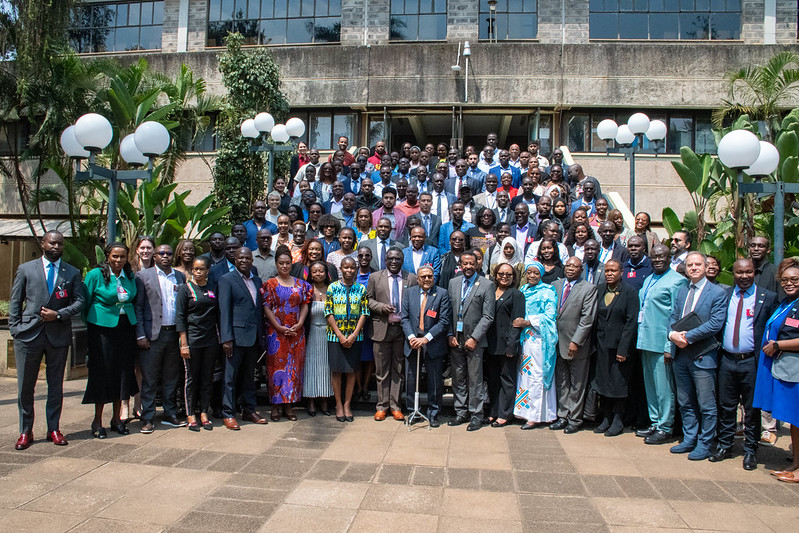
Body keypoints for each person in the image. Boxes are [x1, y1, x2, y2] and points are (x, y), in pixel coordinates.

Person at [10, 231, 85, 449]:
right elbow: (16, 300)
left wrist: (59, 314)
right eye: (52, 243)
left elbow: (79, 302)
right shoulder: (26, 269)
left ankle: (54, 428)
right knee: (26, 387)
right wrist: (15, 329)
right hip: (28, 336)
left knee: (55, 386)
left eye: (60, 244)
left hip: (58, 336)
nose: (56, 247)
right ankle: (25, 431)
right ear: (43, 244)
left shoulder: (71, 272)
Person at [712, 259, 777, 470]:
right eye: (740, 272)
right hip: (727, 360)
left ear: (754, 273)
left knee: (751, 409)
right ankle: (725, 444)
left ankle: (750, 450)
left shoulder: (767, 298)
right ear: (734, 273)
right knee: (726, 405)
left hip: (752, 361)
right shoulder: (725, 295)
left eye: (748, 272)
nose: (744, 276)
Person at [667, 251, 727, 460]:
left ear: (706, 267)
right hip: (680, 355)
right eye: (690, 265)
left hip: (703, 356)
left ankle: (704, 443)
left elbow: (715, 323)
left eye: (697, 264)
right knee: (685, 402)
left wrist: (688, 337)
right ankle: (689, 438)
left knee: (706, 405)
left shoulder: (717, 293)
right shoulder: (682, 291)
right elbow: (673, 317)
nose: (693, 268)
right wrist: (672, 334)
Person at [81, 242, 139, 439]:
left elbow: (132, 298)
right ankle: (97, 421)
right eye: (115, 256)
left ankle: (117, 419)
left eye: (122, 257)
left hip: (125, 328)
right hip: (101, 329)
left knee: (122, 373)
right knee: (102, 373)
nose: (119, 260)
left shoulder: (129, 275)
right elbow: (85, 302)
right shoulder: (95, 275)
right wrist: (92, 322)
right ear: (107, 256)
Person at [635, 244, 688, 445]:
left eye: (662, 257)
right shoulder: (649, 279)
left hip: (662, 342)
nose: (657, 260)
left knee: (664, 388)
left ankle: (666, 427)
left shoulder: (677, 281)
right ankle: (655, 421)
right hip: (645, 340)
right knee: (651, 386)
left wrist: (669, 346)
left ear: (669, 258)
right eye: (654, 257)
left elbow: (677, 316)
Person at [753, 257, 799, 482]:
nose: (788, 283)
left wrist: (779, 345)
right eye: (785, 280)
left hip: (795, 371)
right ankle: (796, 463)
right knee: (793, 420)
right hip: (785, 370)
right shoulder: (786, 302)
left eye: (794, 279)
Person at [134, 244, 187, 433]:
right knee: (150, 378)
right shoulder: (143, 276)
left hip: (173, 333)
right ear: (154, 256)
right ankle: (147, 417)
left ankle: (170, 413)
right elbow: (138, 307)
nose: (165, 256)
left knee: (171, 376)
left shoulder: (179, 277)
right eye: (161, 253)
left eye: (169, 253)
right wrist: (140, 334)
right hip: (152, 335)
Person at [218, 247, 267, 430]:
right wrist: (226, 338)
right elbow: (224, 311)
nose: (244, 261)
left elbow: (258, 310)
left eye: (248, 258)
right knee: (230, 378)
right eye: (241, 258)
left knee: (249, 377)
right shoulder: (227, 280)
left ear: (252, 260)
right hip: (235, 338)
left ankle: (249, 409)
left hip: (253, 337)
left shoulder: (257, 280)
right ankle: (228, 413)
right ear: (235, 260)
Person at [447, 250, 496, 431]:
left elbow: (488, 316)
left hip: (475, 341)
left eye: (471, 263)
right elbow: (448, 311)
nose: (467, 267)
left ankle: (476, 414)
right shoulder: (453, 283)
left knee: (475, 379)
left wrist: (475, 337)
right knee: (458, 377)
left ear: (477, 264)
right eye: (464, 264)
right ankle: (460, 411)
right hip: (455, 339)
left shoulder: (486, 285)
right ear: (460, 265)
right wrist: (449, 334)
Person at [263, 246, 312, 421]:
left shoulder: (301, 284)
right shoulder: (269, 285)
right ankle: (275, 406)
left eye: (287, 263)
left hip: (296, 333)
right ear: (276, 264)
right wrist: (277, 326)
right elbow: (267, 307)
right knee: (275, 369)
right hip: (276, 334)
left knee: (293, 369)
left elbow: (305, 305)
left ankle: (290, 405)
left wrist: (299, 324)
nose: (284, 266)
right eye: (281, 263)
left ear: (292, 264)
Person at [591, 260, 639, 437]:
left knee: (618, 383)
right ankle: (606, 417)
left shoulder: (630, 292)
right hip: (602, 344)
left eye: (613, 271)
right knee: (603, 381)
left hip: (619, 346)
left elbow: (631, 322)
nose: (609, 273)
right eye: (607, 270)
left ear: (621, 272)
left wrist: (623, 349)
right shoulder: (600, 289)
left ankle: (618, 419)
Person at [367, 248, 416, 421]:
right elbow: (368, 299)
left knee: (398, 369)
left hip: (402, 329)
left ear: (403, 260)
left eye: (398, 259)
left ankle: (395, 406)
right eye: (391, 259)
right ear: (385, 260)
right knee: (381, 370)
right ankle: (382, 406)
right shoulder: (375, 277)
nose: (394, 262)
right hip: (382, 328)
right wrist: (381, 307)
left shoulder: (411, 278)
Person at [550, 257, 598, 433]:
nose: (571, 269)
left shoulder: (589, 289)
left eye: (575, 267)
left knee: (577, 384)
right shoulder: (555, 285)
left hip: (576, 345)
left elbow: (587, 319)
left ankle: (575, 419)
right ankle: (562, 416)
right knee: (562, 382)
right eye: (568, 266)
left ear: (581, 269)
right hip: (556, 343)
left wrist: (576, 341)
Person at [400, 265, 451, 428]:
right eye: (424, 277)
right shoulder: (409, 293)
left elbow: (443, 321)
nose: (427, 279)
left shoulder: (442, 294)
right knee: (410, 379)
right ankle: (412, 411)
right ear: (418, 279)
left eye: (430, 276)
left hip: (433, 343)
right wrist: (411, 337)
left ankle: (433, 413)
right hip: (413, 342)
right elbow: (405, 318)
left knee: (434, 380)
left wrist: (426, 338)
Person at [176, 257, 219, 431]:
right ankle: (190, 414)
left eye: (202, 269)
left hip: (210, 340)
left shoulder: (212, 288)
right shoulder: (185, 290)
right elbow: (180, 317)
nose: (198, 272)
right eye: (195, 269)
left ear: (208, 270)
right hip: (192, 340)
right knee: (191, 379)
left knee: (207, 378)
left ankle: (203, 412)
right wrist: (184, 343)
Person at [514, 261, 559, 429]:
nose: (532, 276)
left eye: (536, 273)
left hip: (539, 340)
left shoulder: (547, 291)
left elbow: (550, 316)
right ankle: (523, 412)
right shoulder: (523, 290)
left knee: (537, 377)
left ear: (541, 275)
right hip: (524, 340)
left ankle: (536, 415)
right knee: (525, 377)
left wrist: (528, 321)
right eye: (529, 273)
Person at [326, 257, 370, 422]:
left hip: (355, 337)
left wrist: (353, 335)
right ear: (341, 269)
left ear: (356, 269)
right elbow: (328, 312)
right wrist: (339, 335)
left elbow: (364, 312)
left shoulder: (361, 289)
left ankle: (347, 404)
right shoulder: (332, 287)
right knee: (337, 371)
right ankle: (338, 404)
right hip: (335, 336)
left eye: (352, 268)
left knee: (352, 371)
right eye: (346, 267)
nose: (349, 271)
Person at [484, 263, 524, 427]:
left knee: (506, 379)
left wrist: (512, 345)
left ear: (513, 277)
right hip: (490, 343)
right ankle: (493, 411)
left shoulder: (516, 295)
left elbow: (517, 322)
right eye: (501, 273)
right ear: (495, 274)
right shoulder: (490, 291)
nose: (504, 277)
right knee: (493, 380)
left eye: (508, 274)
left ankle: (505, 414)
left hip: (507, 344)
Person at [304, 261, 333, 417]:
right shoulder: (306, 290)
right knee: (311, 367)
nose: (318, 274)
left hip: (328, 334)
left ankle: (325, 400)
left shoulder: (332, 290)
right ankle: (311, 401)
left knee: (326, 368)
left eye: (321, 271)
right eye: (314, 272)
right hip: (311, 333)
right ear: (310, 274)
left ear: (326, 273)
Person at [355, 246, 376, 401]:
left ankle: (365, 387)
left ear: (371, 257)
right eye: (361, 255)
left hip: (371, 320)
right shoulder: (351, 272)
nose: (364, 258)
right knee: (355, 355)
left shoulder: (376, 274)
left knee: (368, 356)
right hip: (353, 321)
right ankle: (357, 386)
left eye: (367, 255)